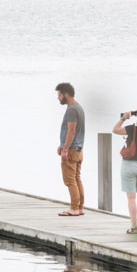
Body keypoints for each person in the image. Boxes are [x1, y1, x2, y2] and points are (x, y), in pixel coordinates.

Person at [55, 82, 86, 216]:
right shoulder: (78, 107)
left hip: (72, 149)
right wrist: (62, 145)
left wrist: (65, 149)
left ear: (66, 94)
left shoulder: (72, 109)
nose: (58, 98)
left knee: (69, 180)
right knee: (77, 178)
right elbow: (71, 131)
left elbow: (71, 130)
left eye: (60, 95)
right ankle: (79, 208)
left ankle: (73, 208)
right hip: (78, 148)